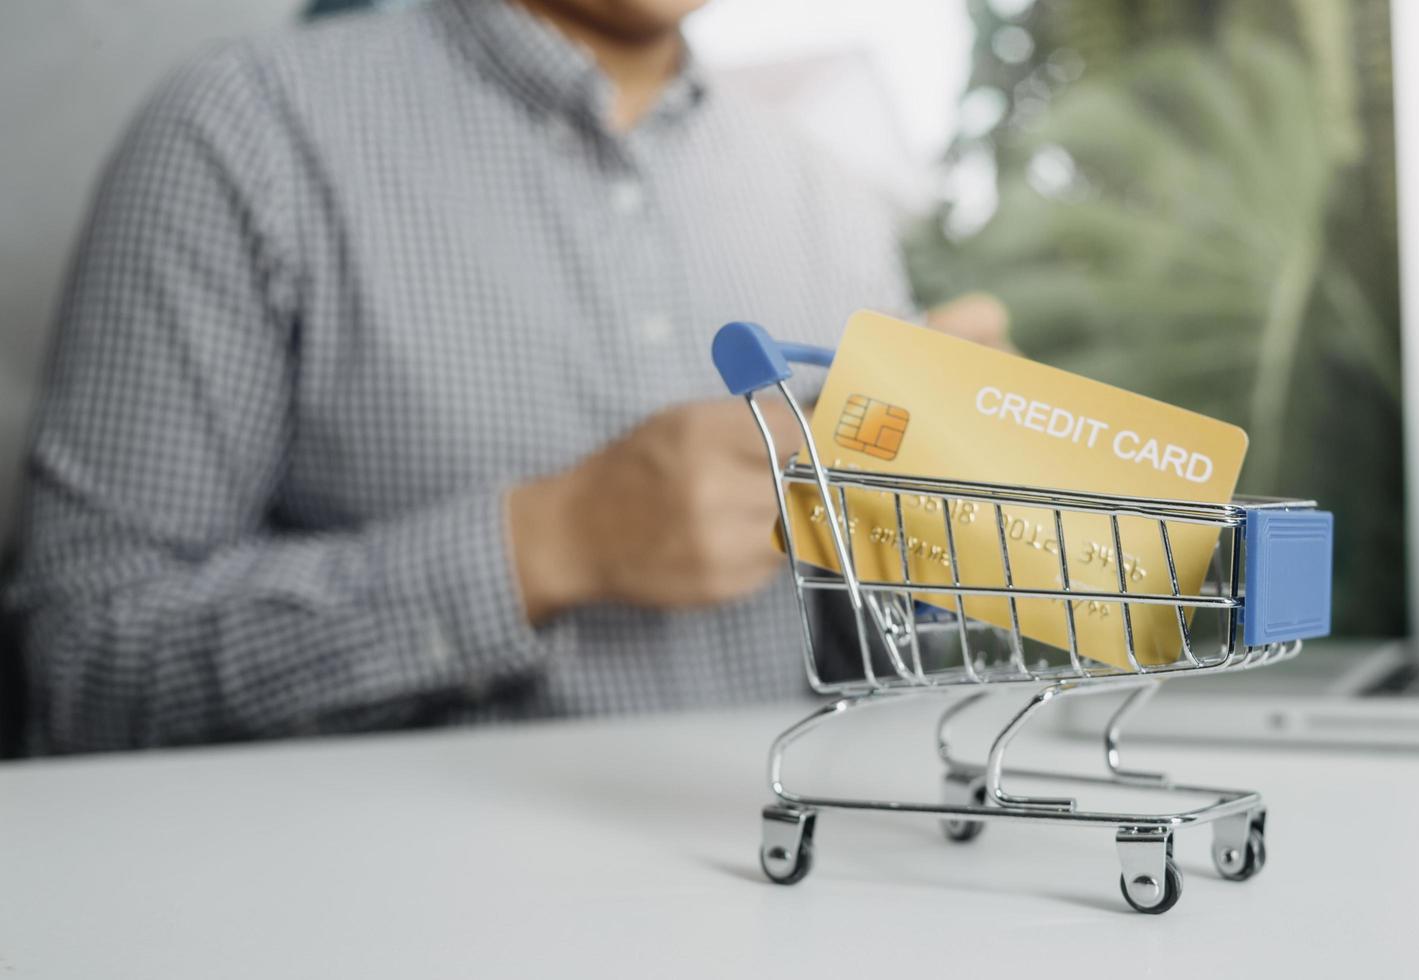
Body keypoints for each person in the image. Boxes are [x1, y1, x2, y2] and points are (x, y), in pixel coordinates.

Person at [3, 0, 1008, 753]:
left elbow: (890, 650)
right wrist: (545, 542)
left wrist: (956, 501)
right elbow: (75, 666)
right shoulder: (242, 133)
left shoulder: (832, 200)